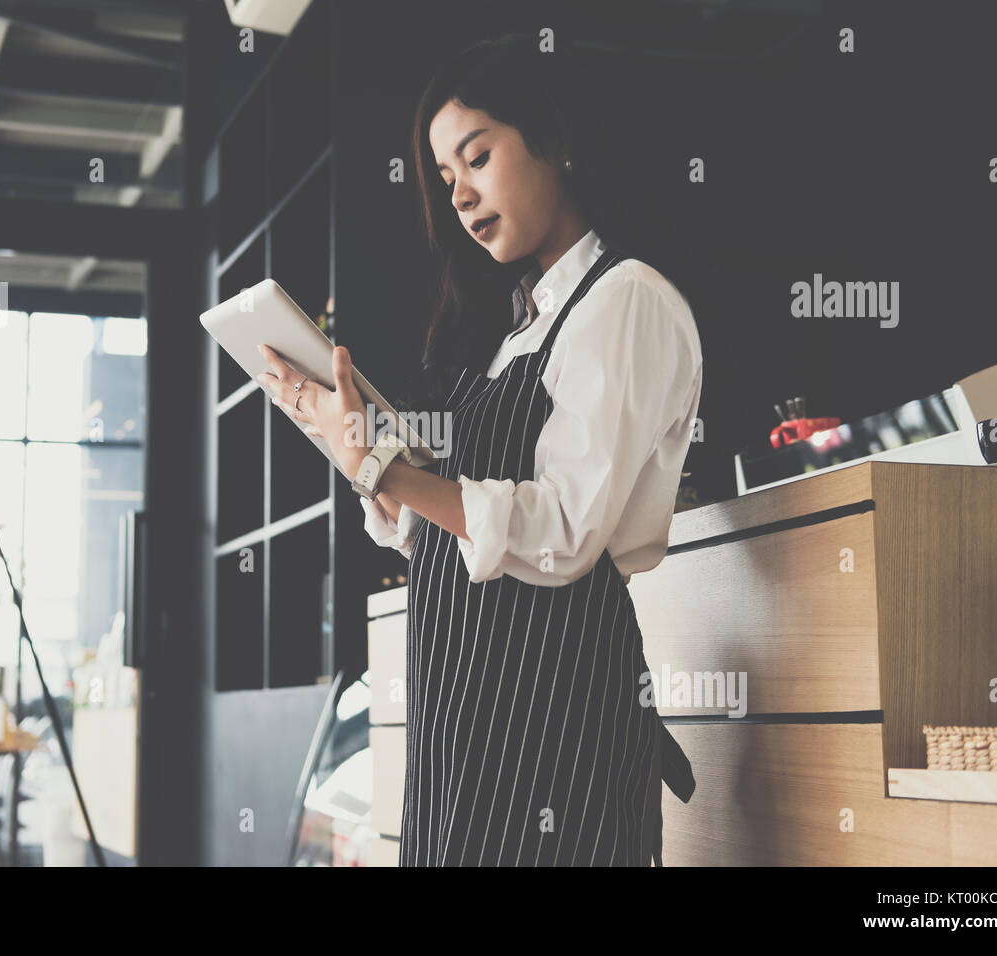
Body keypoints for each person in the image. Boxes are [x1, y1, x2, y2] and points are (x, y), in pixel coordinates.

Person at [256, 33, 701, 866]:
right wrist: (348, 447)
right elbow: (446, 531)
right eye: (444, 176)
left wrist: (383, 464)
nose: (459, 195)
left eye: (478, 156)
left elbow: (563, 530)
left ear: (554, 141)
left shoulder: (625, 302)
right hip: (462, 718)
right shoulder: (511, 334)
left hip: (557, 713)